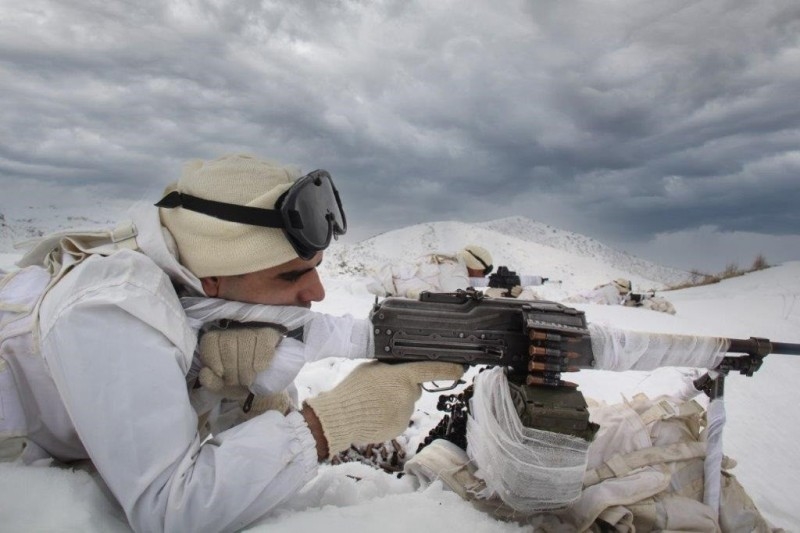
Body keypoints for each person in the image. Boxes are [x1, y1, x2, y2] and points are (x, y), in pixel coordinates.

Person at [0, 153, 463, 532]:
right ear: (214, 278)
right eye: (291, 275)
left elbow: (315, 329)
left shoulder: (200, 289)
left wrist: (400, 339)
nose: (317, 292)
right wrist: (328, 423)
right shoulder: (112, 307)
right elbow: (170, 510)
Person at [368, 244, 493, 299]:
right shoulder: (456, 274)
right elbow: (461, 304)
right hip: (378, 285)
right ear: (475, 265)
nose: (483, 275)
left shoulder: (450, 263)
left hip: (380, 279)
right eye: (483, 271)